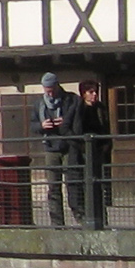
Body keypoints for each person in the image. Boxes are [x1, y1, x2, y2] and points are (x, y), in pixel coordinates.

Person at [34, 70, 76, 226]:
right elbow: (32, 125)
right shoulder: (39, 104)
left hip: (68, 147)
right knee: (53, 187)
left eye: (52, 90)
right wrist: (41, 126)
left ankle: (80, 218)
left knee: (73, 184)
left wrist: (65, 122)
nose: (50, 94)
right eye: (47, 91)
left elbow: (77, 119)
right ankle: (57, 224)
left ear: (57, 86)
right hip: (50, 148)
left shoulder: (70, 100)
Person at [70, 79, 112, 227]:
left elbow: (106, 128)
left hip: (98, 152)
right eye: (91, 92)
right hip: (81, 153)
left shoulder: (100, 108)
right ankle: (84, 219)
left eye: (96, 92)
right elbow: (66, 128)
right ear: (83, 94)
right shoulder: (77, 108)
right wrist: (79, 144)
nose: (94, 95)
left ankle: (102, 220)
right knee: (81, 186)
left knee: (98, 186)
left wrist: (106, 144)